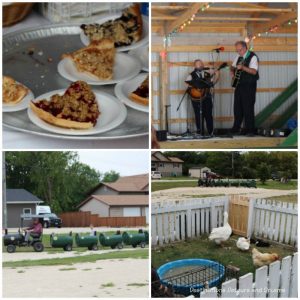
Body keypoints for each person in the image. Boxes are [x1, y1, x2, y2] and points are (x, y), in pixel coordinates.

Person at [230, 41, 259, 136]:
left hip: (249, 85)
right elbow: (232, 66)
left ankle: (250, 130)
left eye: (240, 50)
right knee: (237, 108)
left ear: (245, 48)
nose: (239, 52)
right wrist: (232, 71)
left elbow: (254, 71)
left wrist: (243, 67)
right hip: (239, 85)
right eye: (237, 50)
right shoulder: (238, 57)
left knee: (248, 108)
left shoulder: (253, 56)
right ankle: (236, 128)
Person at [186, 59, 219, 136]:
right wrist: (195, 87)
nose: (201, 65)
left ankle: (211, 132)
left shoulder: (207, 73)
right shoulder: (191, 75)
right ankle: (200, 132)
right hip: (196, 99)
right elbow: (187, 84)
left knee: (208, 115)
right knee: (198, 115)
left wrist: (217, 75)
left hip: (207, 97)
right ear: (195, 66)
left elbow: (212, 83)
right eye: (198, 64)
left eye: (201, 64)